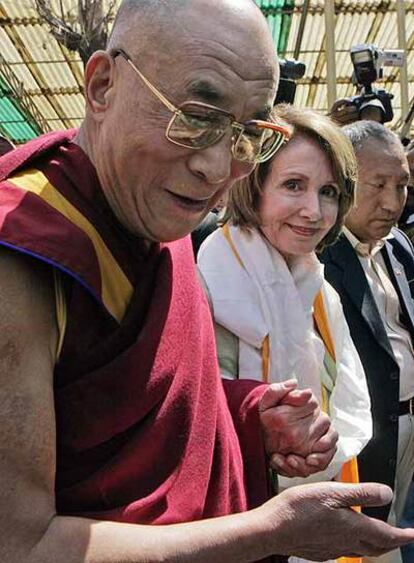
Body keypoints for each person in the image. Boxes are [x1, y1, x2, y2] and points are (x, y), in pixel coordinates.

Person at [0, 1, 412, 562]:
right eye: (195, 117)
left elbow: (169, 399)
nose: (218, 168)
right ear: (101, 86)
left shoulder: (154, 207)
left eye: (247, 133)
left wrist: (247, 413)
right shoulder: (21, 257)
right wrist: (271, 533)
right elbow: (20, 547)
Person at [198, 105, 372, 562]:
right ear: (252, 187)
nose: (314, 211)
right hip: (233, 523)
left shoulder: (320, 291)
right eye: (293, 185)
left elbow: (345, 407)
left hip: (318, 509)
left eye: (329, 192)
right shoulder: (205, 280)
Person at [320, 120, 414, 563]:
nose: (393, 203)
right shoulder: (320, 255)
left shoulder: (398, 247)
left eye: (402, 186)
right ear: (346, 179)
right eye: (378, 185)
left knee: (395, 525)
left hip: (408, 429)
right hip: (364, 439)